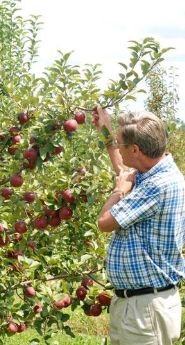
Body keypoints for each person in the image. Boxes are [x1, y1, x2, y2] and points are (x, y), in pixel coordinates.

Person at [93, 106, 185, 345]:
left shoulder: (158, 185)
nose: (118, 147)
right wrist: (107, 134)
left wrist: (117, 192)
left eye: (120, 144)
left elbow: (104, 222)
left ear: (135, 149)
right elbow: (125, 173)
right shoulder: (154, 173)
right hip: (138, 306)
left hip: (145, 310)